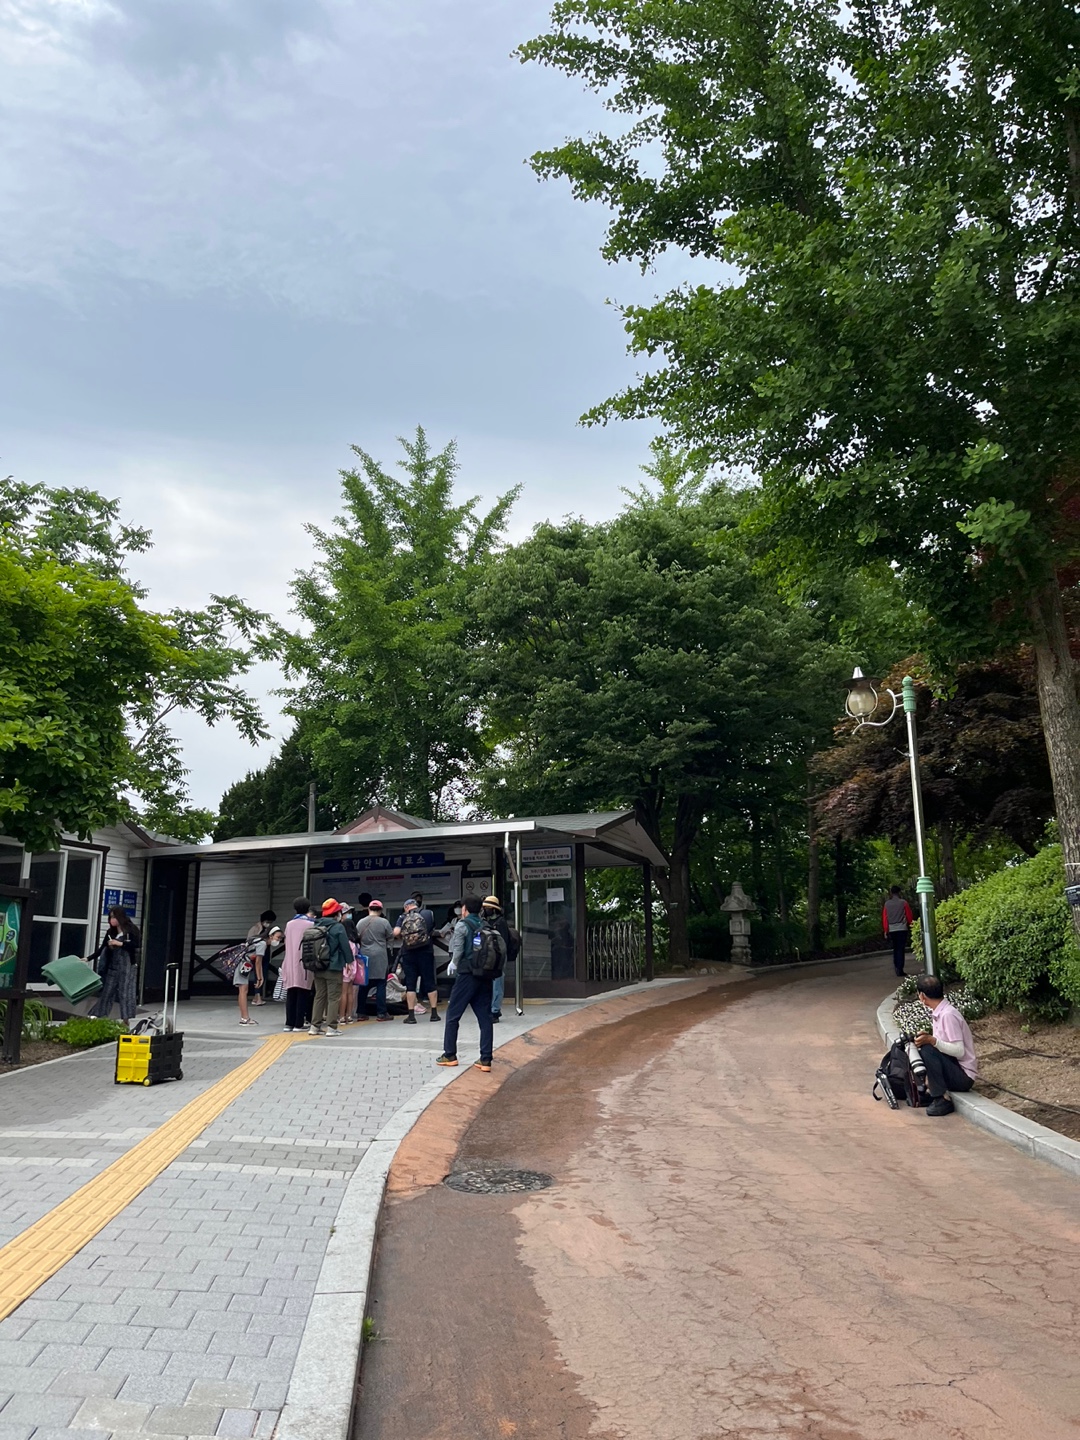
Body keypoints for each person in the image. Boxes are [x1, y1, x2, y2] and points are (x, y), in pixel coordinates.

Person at [436, 895, 505, 1072]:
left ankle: (449, 1054)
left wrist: (453, 963)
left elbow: (458, 949)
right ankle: (485, 1059)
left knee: (453, 1014)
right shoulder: (485, 924)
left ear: (464, 909)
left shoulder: (462, 925)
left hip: (467, 975)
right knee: (485, 1017)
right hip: (485, 975)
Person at [912, 974, 979, 1116]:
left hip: (963, 1077)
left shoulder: (948, 1015)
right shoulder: (939, 1012)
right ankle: (928, 1090)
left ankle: (941, 1099)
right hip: (954, 1067)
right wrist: (928, 1038)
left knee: (927, 1049)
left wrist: (932, 1041)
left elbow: (959, 1051)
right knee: (924, 1046)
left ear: (922, 996)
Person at [91, 907, 141, 1027]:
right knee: (107, 990)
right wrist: (89, 958)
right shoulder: (111, 932)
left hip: (127, 964)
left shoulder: (131, 930)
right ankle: (98, 1015)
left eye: (114, 917)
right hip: (113, 964)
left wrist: (120, 943)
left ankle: (126, 1018)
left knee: (125, 992)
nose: (111, 920)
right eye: (110, 917)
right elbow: (102, 948)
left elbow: (136, 945)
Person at [308, 900, 351, 1037]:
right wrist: (349, 962)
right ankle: (332, 1027)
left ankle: (314, 1027)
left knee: (319, 996)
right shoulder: (338, 927)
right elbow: (345, 946)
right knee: (333, 997)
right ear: (336, 913)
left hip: (318, 966)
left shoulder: (317, 925)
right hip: (334, 966)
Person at [394, 896, 439, 1026]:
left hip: (409, 953)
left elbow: (396, 932)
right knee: (429, 981)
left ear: (406, 907)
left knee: (411, 983)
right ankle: (434, 1014)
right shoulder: (428, 914)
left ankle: (411, 1015)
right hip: (426, 952)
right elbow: (432, 928)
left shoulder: (403, 917)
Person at [480, 895, 519, 1023]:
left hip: (499, 956)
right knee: (489, 983)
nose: (485, 910)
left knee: (497, 983)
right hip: (488, 956)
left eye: (487, 908)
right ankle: (490, 1008)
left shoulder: (501, 922)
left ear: (494, 909)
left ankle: (495, 1010)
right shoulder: (484, 921)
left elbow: (504, 942)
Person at [356, 899, 395, 1021]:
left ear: (369, 909)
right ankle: (382, 1013)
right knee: (381, 984)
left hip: (365, 956)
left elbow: (357, 937)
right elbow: (390, 937)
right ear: (381, 910)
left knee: (364, 985)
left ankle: (361, 1013)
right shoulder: (384, 922)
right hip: (380, 956)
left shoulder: (360, 922)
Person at [280, 898, 315, 1033]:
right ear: (308, 908)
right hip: (304, 961)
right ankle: (298, 1024)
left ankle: (289, 1023)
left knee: (291, 992)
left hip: (289, 961)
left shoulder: (289, 924)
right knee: (303, 992)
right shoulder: (310, 924)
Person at [235, 925, 280, 1026]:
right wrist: (260, 978)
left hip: (243, 963)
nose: (278, 940)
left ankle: (244, 1017)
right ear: (271, 936)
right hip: (244, 965)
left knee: (242, 991)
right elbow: (258, 962)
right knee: (243, 991)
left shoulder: (258, 940)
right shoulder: (262, 944)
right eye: (278, 937)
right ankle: (245, 1019)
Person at [246, 909, 277, 1006]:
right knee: (258, 974)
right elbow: (250, 941)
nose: (269, 923)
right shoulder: (255, 928)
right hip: (256, 955)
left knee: (263, 974)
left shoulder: (270, 929)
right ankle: (257, 996)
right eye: (268, 921)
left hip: (265, 954)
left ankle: (257, 996)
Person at [882, 886, 914, 979]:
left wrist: (886, 930)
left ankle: (896, 966)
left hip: (892, 929)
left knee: (895, 949)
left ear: (891, 893)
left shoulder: (887, 904)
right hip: (902, 928)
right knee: (901, 949)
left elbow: (885, 918)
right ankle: (900, 968)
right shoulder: (903, 903)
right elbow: (909, 915)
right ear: (899, 892)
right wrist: (912, 925)